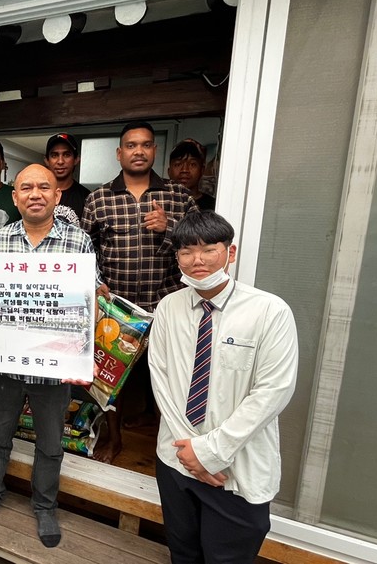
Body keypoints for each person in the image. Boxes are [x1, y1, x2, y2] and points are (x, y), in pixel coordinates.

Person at [149, 210, 298, 563]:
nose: (197, 260)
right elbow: (161, 378)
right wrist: (191, 452)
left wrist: (210, 452)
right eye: (186, 252)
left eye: (208, 249)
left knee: (227, 558)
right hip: (175, 459)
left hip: (234, 467)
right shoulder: (169, 307)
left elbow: (273, 391)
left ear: (230, 252)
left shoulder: (269, 311)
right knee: (182, 552)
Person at [0, 164, 95, 548]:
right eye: (26, 188)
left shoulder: (79, 241)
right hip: (5, 366)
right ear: (15, 196)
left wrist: (82, 355)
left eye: (43, 187)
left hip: (54, 369)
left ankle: (45, 505)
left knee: (51, 443)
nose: (35, 194)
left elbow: (89, 301)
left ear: (57, 196)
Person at [81, 121, 197, 463]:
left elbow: (200, 246)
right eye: (131, 145)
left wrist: (169, 227)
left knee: (169, 380)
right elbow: (84, 250)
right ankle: (114, 439)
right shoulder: (99, 198)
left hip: (166, 304)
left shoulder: (178, 196)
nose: (139, 151)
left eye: (146, 145)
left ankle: (168, 450)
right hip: (115, 307)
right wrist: (93, 283)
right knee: (109, 379)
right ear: (119, 153)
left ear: (155, 150)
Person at [44, 132, 90, 225]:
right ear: (47, 160)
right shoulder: (36, 194)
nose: (60, 161)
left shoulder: (87, 198)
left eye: (66, 155)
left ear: (76, 159)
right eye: (54, 155)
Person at [168, 139, 216, 211]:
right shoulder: (160, 200)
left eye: (192, 164)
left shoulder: (213, 206)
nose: (184, 170)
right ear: (169, 171)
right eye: (178, 164)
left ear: (202, 170)